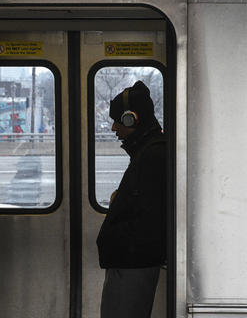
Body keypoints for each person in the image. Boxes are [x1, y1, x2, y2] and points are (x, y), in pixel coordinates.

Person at [97, 81, 166, 318]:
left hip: (133, 261)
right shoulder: (146, 150)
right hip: (130, 260)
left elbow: (147, 215)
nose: (115, 127)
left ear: (131, 119)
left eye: (118, 120)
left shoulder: (152, 154)